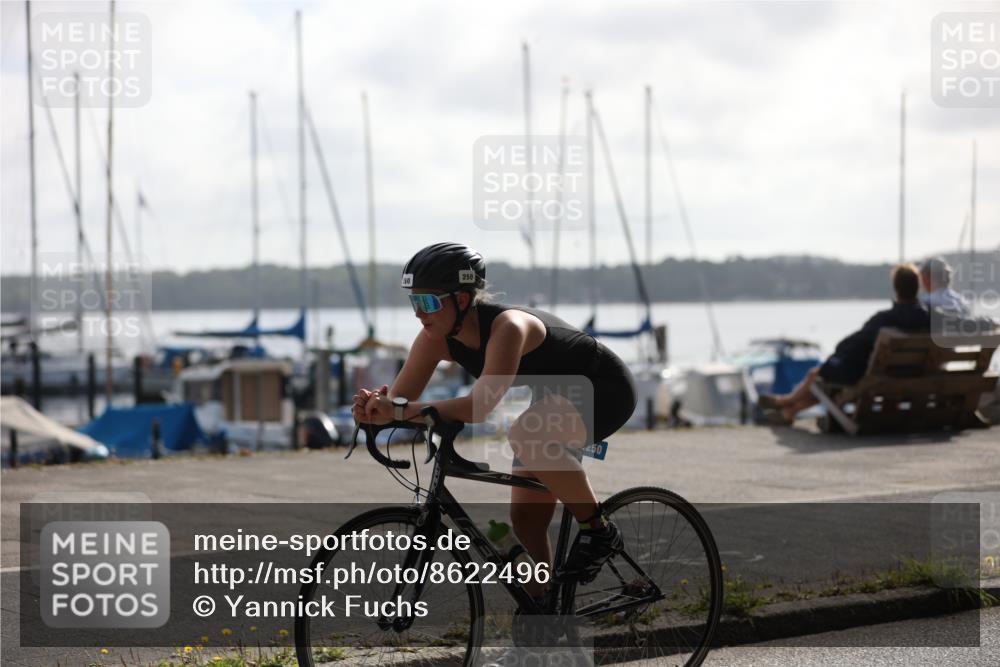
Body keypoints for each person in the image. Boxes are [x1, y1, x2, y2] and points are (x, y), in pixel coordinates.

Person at [353, 242, 638, 591]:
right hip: (553, 398)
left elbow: (478, 407)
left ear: (462, 299)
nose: (418, 312)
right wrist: (375, 411)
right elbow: (400, 401)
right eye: (413, 301)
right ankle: (545, 619)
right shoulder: (434, 338)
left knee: (527, 435)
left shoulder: (509, 328)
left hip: (602, 388)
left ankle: (600, 531)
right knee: (526, 523)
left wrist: (396, 411)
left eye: (427, 302)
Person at [759, 263, 930, 423]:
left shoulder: (884, 319)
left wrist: (838, 352)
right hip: (909, 375)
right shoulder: (927, 320)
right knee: (828, 378)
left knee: (818, 375)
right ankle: (790, 410)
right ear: (917, 288)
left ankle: (785, 402)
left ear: (896, 289)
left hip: (876, 377)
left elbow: (853, 343)